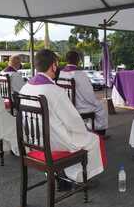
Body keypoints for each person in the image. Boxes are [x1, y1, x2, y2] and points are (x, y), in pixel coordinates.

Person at [19, 49, 106, 186]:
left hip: (34, 141)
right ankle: (80, 177)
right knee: (93, 139)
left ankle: (63, 174)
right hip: (56, 142)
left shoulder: (25, 88)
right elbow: (73, 122)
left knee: (78, 136)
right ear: (53, 65)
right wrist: (85, 130)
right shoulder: (54, 90)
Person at [58, 50, 108, 135]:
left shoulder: (61, 73)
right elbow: (89, 95)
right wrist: (95, 102)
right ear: (78, 60)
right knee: (101, 107)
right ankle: (99, 133)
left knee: (95, 105)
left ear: (67, 60)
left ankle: (86, 128)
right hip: (78, 107)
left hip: (66, 105)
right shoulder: (80, 74)